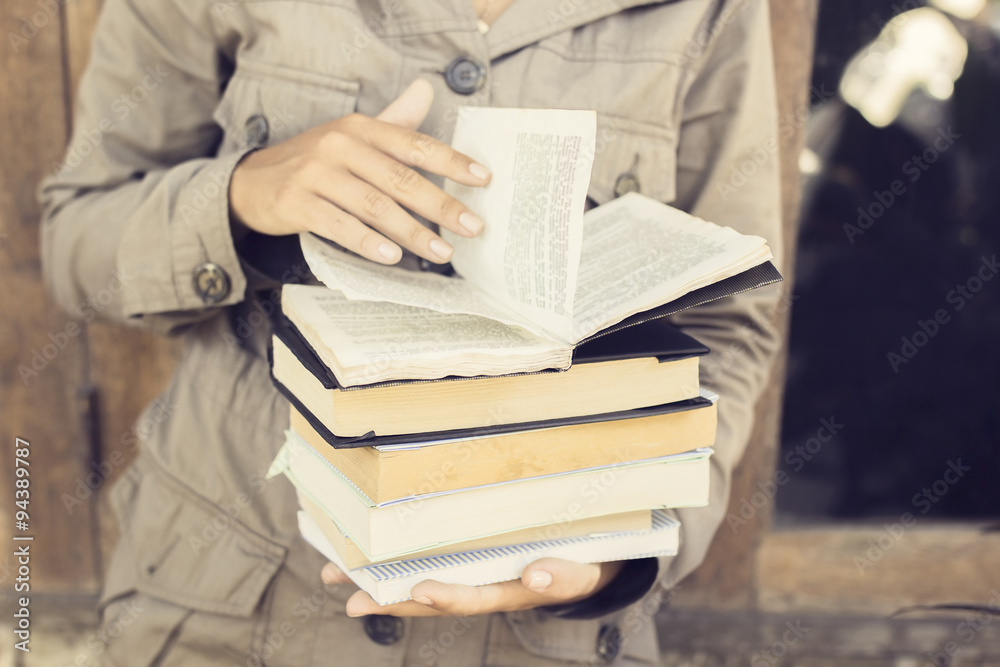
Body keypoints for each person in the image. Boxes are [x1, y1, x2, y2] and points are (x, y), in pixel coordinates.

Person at [39, 0, 785, 664]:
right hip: (224, 599)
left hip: (544, 633)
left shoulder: (712, 11)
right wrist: (243, 193)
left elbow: (727, 318)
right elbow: (78, 241)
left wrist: (626, 547)